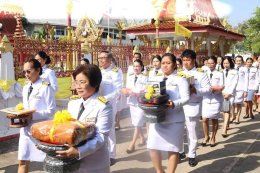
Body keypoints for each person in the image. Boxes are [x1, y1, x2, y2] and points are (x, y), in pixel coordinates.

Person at [56, 64, 113, 173]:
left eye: (82, 82)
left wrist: (79, 151)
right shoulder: (73, 103)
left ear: (94, 82)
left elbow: (101, 137)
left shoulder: (104, 106)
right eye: (76, 82)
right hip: (72, 163)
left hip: (95, 164)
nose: (78, 86)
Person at [147, 53, 190, 173]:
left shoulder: (181, 80)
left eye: (168, 63)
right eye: (163, 63)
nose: (165, 66)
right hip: (158, 118)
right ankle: (159, 171)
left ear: (174, 65)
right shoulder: (155, 79)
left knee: (173, 148)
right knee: (152, 146)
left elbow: (186, 98)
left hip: (175, 119)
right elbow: (149, 94)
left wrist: (174, 104)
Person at [18, 59, 56, 173]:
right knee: (22, 161)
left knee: (47, 162)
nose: (26, 75)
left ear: (38, 70)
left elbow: (51, 110)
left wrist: (33, 116)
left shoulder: (45, 87)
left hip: (41, 130)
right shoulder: (25, 87)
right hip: (25, 129)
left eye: (28, 71)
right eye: (24, 72)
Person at [180, 49, 211, 167]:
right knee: (178, 131)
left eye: (188, 60)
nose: (185, 62)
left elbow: (208, 89)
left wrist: (195, 90)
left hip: (193, 105)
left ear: (193, 60)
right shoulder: (178, 74)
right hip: (179, 106)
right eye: (184, 60)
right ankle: (180, 151)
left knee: (191, 132)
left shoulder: (200, 73)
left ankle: (192, 154)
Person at [98, 50, 123, 166]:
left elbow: (118, 91)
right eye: (99, 58)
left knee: (110, 130)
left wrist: (105, 98)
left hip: (109, 104)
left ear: (110, 59)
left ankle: (112, 155)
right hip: (97, 104)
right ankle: (101, 153)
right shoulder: (98, 71)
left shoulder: (116, 72)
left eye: (103, 58)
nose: (101, 60)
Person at [123, 59, 147, 153]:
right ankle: (142, 138)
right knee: (135, 122)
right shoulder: (130, 77)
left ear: (141, 67)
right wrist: (127, 92)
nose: (136, 68)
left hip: (140, 102)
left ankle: (132, 144)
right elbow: (127, 88)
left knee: (138, 123)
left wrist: (139, 93)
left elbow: (146, 90)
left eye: (138, 66)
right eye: (135, 66)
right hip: (132, 102)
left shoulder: (145, 78)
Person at [201, 56, 224, 147]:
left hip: (216, 99)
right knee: (204, 119)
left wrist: (213, 88)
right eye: (208, 63)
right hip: (206, 98)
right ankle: (206, 136)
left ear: (215, 63)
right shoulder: (203, 73)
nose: (210, 65)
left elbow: (222, 86)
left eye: (212, 63)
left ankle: (213, 137)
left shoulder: (219, 74)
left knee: (214, 119)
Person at [221, 56, 238, 137]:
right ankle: (226, 123)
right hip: (222, 94)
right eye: (224, 63)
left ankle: (224, 129)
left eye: (227, 63)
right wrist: (223, 93)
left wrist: (229, 93)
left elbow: (234, 83)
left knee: (227, 110)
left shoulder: (235, 72)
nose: (225, 65)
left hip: (230, 94)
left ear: (230, 63)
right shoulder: (221, 72)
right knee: (224, 111)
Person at [232, 56, 248, 124]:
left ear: (242, 61)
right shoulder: (232, 68)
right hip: (232, 88)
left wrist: (245, 90)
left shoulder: (245, 69)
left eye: (240, 60)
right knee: (232, 103)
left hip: (240, 88)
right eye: (237, 60)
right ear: (235, 61)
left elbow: (246, 80)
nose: (238, 62)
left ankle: (237, 117)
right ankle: (233, 115)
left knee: (239, 104)